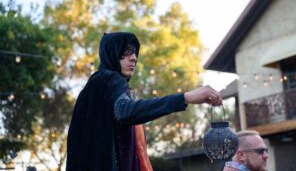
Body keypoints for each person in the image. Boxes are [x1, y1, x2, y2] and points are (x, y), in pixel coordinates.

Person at [66, 32, 223, 171]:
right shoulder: (107, 79)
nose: (134, 58)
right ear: (111, 53)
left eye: (134, 53)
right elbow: (126, 111)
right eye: (126, 51)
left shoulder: (98, 86)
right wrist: (185, 97)